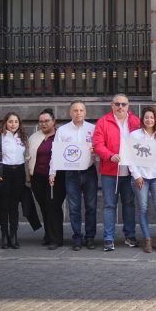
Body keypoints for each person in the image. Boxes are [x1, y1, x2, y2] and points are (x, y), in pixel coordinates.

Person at [92, 94, 140, 251]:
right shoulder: (103, 122)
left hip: (130, 171)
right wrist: (109, 156)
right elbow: (98, 144)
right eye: (117, 104)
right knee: (109, 205)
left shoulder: (136, 122)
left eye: (123, 104)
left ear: (128, 105)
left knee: (129, 204)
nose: (120, 107)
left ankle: (130, 236)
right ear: (112, 105)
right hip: (110, 171)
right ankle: (108, 238)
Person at [55, 102, 97, 250]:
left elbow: (100, 148)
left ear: (85, 112)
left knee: (91, 206)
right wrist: (52, 172)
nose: (78, 113)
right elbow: (56, 153)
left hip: (89, 171)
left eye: (81, 110)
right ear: (70, 112)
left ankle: (90, 237)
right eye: (75, 110)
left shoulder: (93, 129)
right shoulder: (62, 130)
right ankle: (77, 237)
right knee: (74, 207)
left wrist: (95, 151)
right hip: (71, 173)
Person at [128, 106, 156, 253]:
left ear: (155, 119)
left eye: (152, 117)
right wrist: (136, 175)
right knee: (143, 208)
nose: (149, 120)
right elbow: (129, 156)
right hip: (141, 177)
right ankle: (147, 239)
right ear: (142, 119)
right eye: (146, 117)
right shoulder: (134, 135)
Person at [0, 112, 27, 249]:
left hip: (19, 172)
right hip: (4, 172)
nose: (13, 124)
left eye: (16, 121)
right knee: (4, 205)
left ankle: (13, 235)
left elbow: (27, 156)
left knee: (14, 205)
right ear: (5, 123)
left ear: (19, 123)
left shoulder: (22, 137)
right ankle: (4, 235)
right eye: (10, 121)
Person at [27, 109, 63, 248]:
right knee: (43, 206)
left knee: (53, 206)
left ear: (53, 121)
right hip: (37, 177)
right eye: (41, 121)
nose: (43, 124)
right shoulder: (34, 137)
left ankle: (56, 238)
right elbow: (28, 156)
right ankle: (48, 235)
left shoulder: (60, 135)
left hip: (55, 178)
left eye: (46, 121)